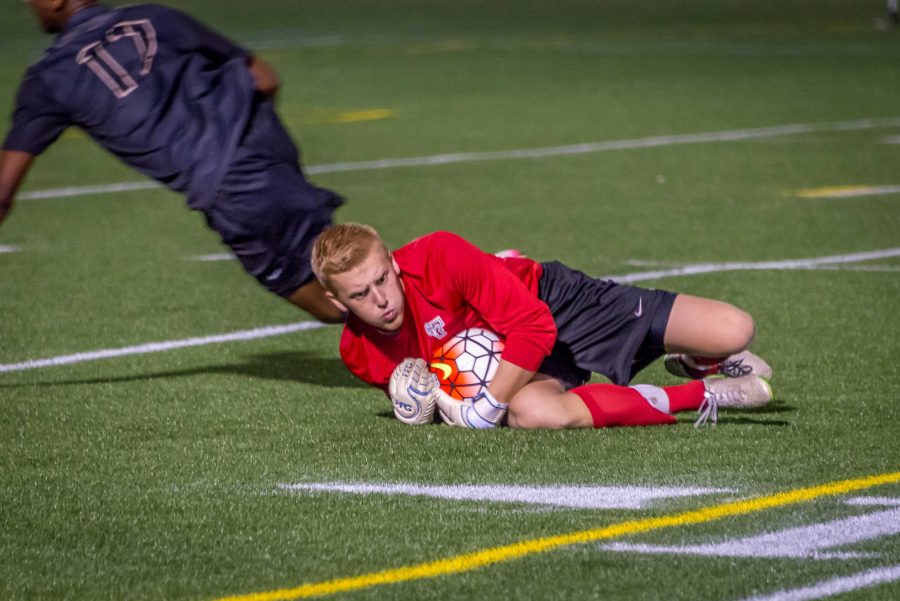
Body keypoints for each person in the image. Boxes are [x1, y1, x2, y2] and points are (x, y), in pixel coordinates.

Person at [0, 0, 344, 323]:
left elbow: (2, 193)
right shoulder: (156, 16)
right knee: (341, 263)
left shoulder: (48, 79)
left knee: (331, 299)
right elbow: (264, 77)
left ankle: (397, 351)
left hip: (228, 183)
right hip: (266, 138)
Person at [311, 223, 774, 430]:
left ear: (393, 262)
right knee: (535, 415)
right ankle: (705, 394)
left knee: (735, 329)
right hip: (516, 364)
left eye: (382, 280)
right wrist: (420, 404)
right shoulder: (358, 353)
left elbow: (533, 328)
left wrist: (487, 404)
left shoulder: (438, 254)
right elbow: (437, 397)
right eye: (359, 295)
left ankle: (699, 357)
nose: (381, 300)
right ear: (336, 301)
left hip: (549, 302)